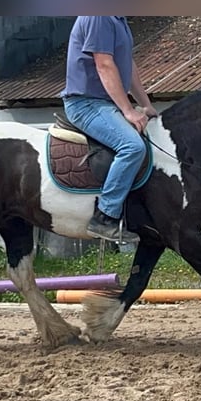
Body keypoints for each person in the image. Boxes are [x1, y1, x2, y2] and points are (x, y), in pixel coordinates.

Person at [61, 16, 158, 243]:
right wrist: (128, 110)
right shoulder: (99, 15)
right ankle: (105, 217)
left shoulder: (118, 18)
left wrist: (146, 104)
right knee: (132, 146)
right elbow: (104, 64)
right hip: (86, 103)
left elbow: (128, 65)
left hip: (105, 103)